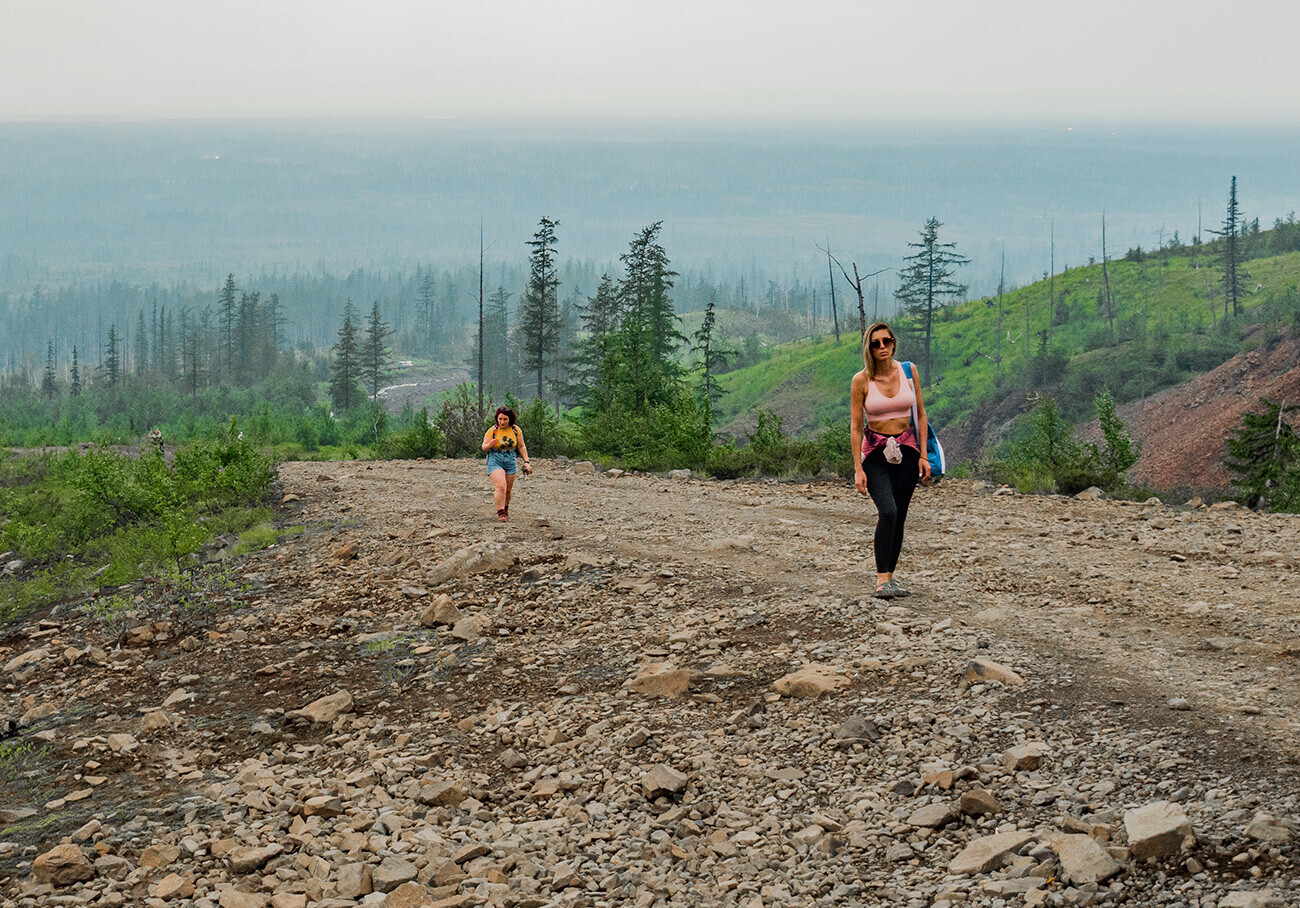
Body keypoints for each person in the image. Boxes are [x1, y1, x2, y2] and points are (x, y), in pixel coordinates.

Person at [850, 322, 931, 599]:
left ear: (894, 342)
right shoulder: (861, 380)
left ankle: (891, 578)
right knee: (888, 511)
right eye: (876, 343)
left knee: (901, 516)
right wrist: (858, 468)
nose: (882, 347)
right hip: (875, 453)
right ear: (868, 348)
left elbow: (920, 414)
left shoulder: (909, 371)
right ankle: (881, 579)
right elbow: (856, 427)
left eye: (886, 341)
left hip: (907, 451)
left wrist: (923, 455)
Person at [481, 406, 532, 522]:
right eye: (500, 419)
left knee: (508, 490)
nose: (502, 422)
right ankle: (501, 513)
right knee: (501, 486)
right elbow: (483, 446)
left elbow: (521, 446)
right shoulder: (492, 430)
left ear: (510, 419)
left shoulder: (515, 430)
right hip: (495, 458)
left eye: (505, 419)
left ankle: (505, 508)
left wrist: (526, 462)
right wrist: (490, 445)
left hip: (510, 459)